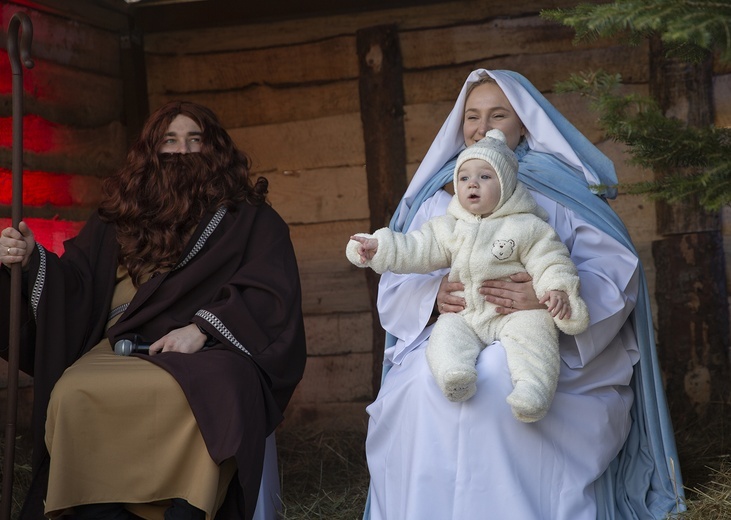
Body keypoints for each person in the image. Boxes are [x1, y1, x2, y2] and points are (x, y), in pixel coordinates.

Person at [362, 70, 684, 519]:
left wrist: (549, 296)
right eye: (472, 116)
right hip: (459, 327)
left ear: (524, 122)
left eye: (498, 114)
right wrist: (433, 294)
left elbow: (614, 271)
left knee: (498, 378)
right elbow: (409, 260)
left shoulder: (562, 189)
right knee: (423, 383)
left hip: (548, 340)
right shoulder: (443, 193)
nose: (481, 125)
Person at [0, 101, 307, 520]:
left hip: (209, 349)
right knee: (74, 391)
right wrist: (34, 256)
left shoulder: (248, 217)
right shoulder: (120, 215)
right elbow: (78, 284)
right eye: (169, 142)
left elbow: (271, 287)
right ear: (150, 150)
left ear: (214, 149)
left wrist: (203, 329)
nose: (181, 153)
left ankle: (188, 506)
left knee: (219, 388)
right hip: (122, 343)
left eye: (194, 141)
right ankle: (98, 507)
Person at [347, 129, 589, 422]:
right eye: (464, 178)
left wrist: (557, 290)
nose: (472, 183)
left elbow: (551, 260)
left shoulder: (528, 226)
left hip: (513, 313)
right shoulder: (449, 227)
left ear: (507, 184)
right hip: (468, 312)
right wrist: (379, 247)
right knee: (444, 337)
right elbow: (415, 247)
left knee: (535, 339)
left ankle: (533, 392)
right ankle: (455, 375)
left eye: (485, 177)